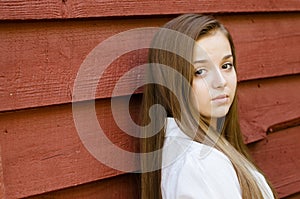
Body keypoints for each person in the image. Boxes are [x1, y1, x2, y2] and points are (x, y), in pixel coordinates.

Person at [140, 14, 278, 199]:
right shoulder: (199, 162)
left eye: (226, 65)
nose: (221, 82)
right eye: (200, 71)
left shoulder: (200, 152)